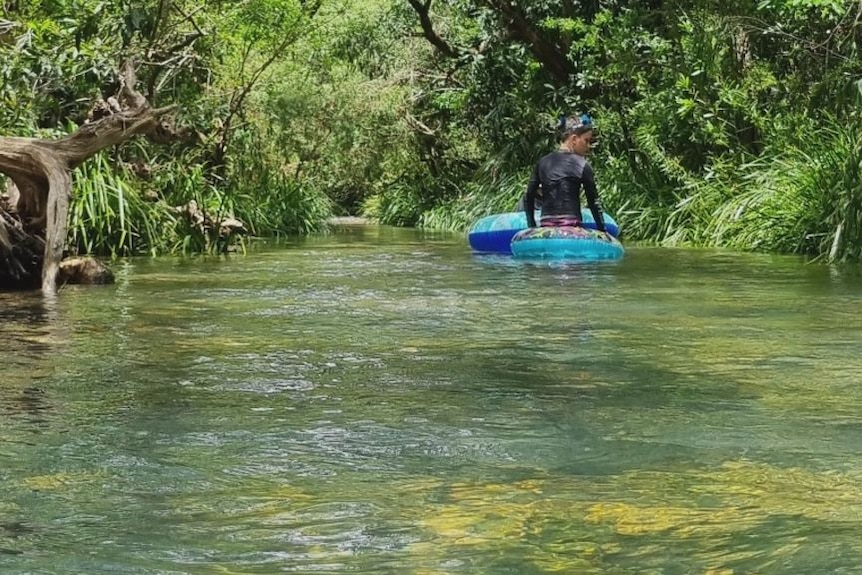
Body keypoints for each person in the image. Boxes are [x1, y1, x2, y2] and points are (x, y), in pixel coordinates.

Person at [522, 114, 607, 232]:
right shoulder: (582, 164)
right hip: (572, 225)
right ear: (574, 139)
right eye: (586, 140)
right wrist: (603, 231)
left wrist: (531, 226)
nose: (588, 146)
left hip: (546, 225)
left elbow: (529, 196)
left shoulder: (542, 162)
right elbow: (593, 202)